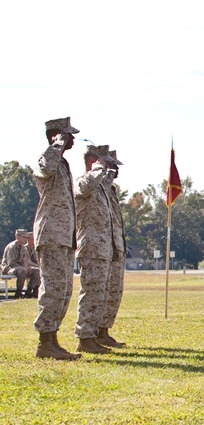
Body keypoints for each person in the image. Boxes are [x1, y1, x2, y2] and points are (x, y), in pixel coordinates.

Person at [33, 117, 82, 360]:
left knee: (63, 291)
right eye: (68, 135)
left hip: (64, 236)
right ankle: (45, 343)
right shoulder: (48, 158)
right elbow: (44, 168)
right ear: (57, 136)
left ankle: (52, 340)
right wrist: (56, 145)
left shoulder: (63, 164)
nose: (73, 138)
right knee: (52, 289)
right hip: (51, 234)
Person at [74, 144, 115, 353]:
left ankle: (92, 335)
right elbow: (84, 187)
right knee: (90, 294)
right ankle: (84, 337)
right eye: (104, 161)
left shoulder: (100, 187)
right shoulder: (83, 181)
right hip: (91, 248)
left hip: (102, 250)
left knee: (99, 295)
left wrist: (107, 174)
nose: (107, 166)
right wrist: (98, 169)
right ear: (93, 160)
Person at [98, 149, 127, 348]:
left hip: (113, 247)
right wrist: (101, 169)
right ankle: (89, 335)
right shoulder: (90, 184)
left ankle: (102, 331)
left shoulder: (109, 191)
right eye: (111, 165)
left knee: (113, 292)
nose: (114, 170)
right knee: (97, 292)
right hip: (97, 247)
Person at [2, 229, 40, 299]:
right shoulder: (12, 247)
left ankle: (29, 293)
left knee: (37, 271)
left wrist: (26, 267)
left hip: (20, 268)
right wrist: (24, 268)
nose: (26, 239)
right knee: (23, 270)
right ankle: (18, 293)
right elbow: (11, 263)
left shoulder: (23, 247)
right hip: (9, 268)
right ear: (17, 237)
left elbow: (24, 261)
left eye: (26, 237)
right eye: (24, 237)